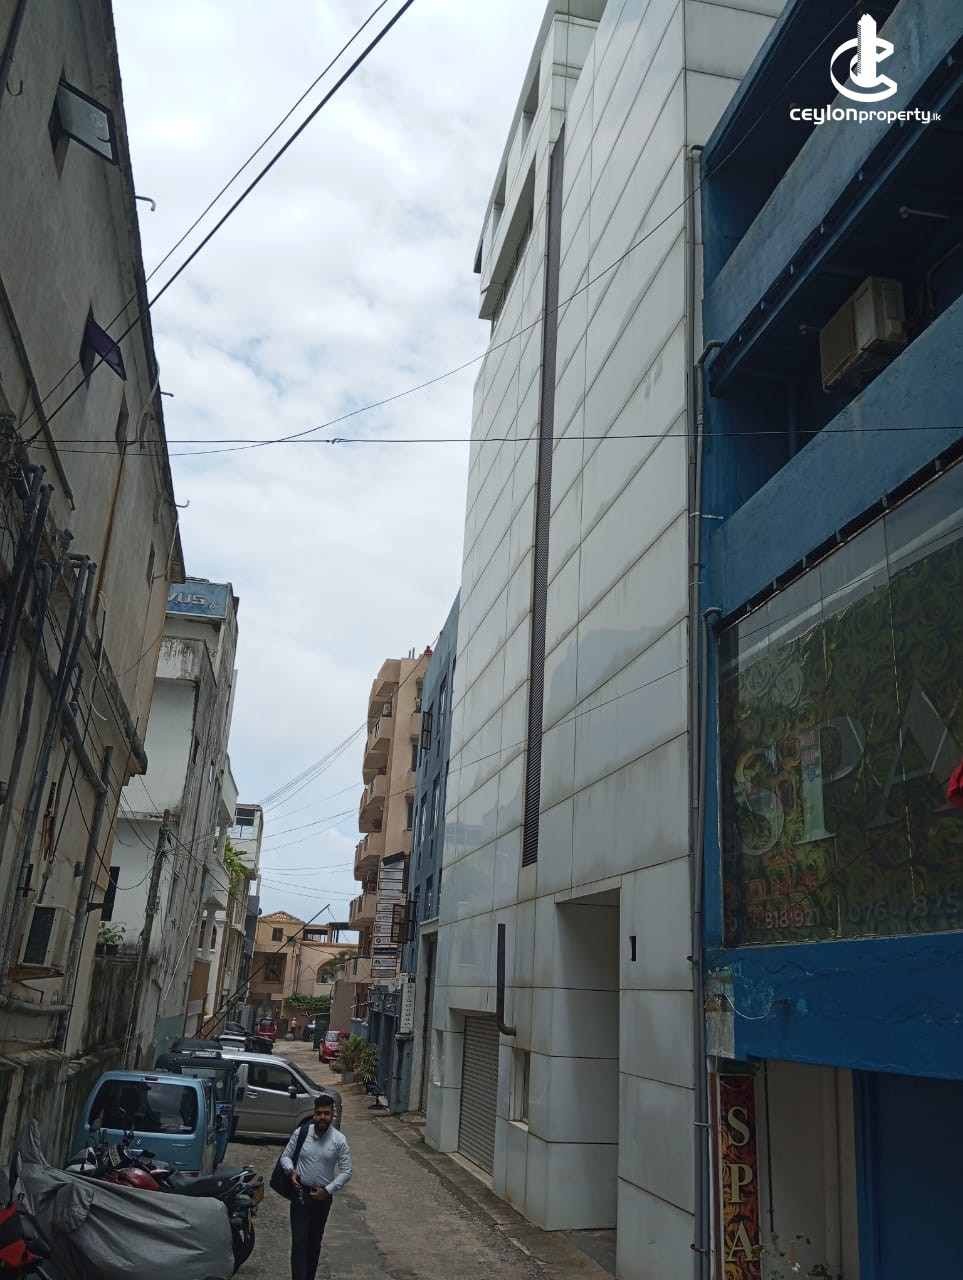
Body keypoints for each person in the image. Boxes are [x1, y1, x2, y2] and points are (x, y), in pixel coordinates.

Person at [279, 1094, 351, 1280]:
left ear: (333, 1114)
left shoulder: (339, 1140)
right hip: (300, 1194)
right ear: (314, 1114)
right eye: (319, 1113)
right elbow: (285, 1156)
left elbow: (346, 1171)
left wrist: (328, 1190)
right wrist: (291, 1171)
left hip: (322, 1198)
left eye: (326, 1113)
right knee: (299, 1242)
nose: (322, 1117)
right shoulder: (301, 1133)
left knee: (314, 1242)